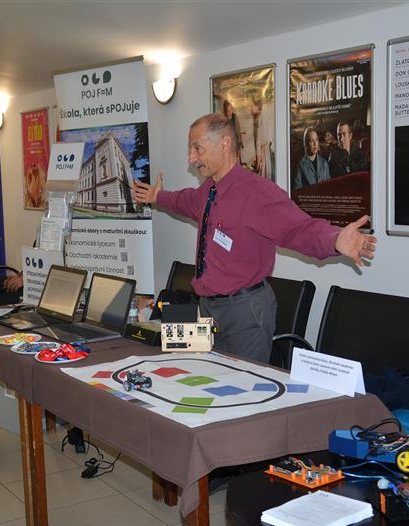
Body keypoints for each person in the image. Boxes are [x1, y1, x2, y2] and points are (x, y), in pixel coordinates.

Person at [132, 113, 375, 363]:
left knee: (243, 390)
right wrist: (157, 197)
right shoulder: (209, 190)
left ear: (225, 144)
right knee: (204, 381)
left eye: (197, 149)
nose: (191, 158)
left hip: (245, 311)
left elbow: (299, 228)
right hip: (207, 309)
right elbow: (186, 201)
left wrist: (335, 240)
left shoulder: (258, 193)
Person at [248, 93, 274, 179]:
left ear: (257, 106)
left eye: (251, 106)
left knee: (264, 178)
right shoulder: (261, 116)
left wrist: (259, 160)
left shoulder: (260, 118)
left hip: (264, 154)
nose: (250, 108)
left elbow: (261, 141)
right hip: (265, 153)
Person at [222, 100, 245, 167]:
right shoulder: (223, 120)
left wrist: (240, 143)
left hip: (235, 144)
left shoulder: (234, 117)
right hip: (227, 145)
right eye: (228, 111)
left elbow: (238, 130)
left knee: (237, 161)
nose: (230, 112)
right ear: (225, 111)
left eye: (231, 110)